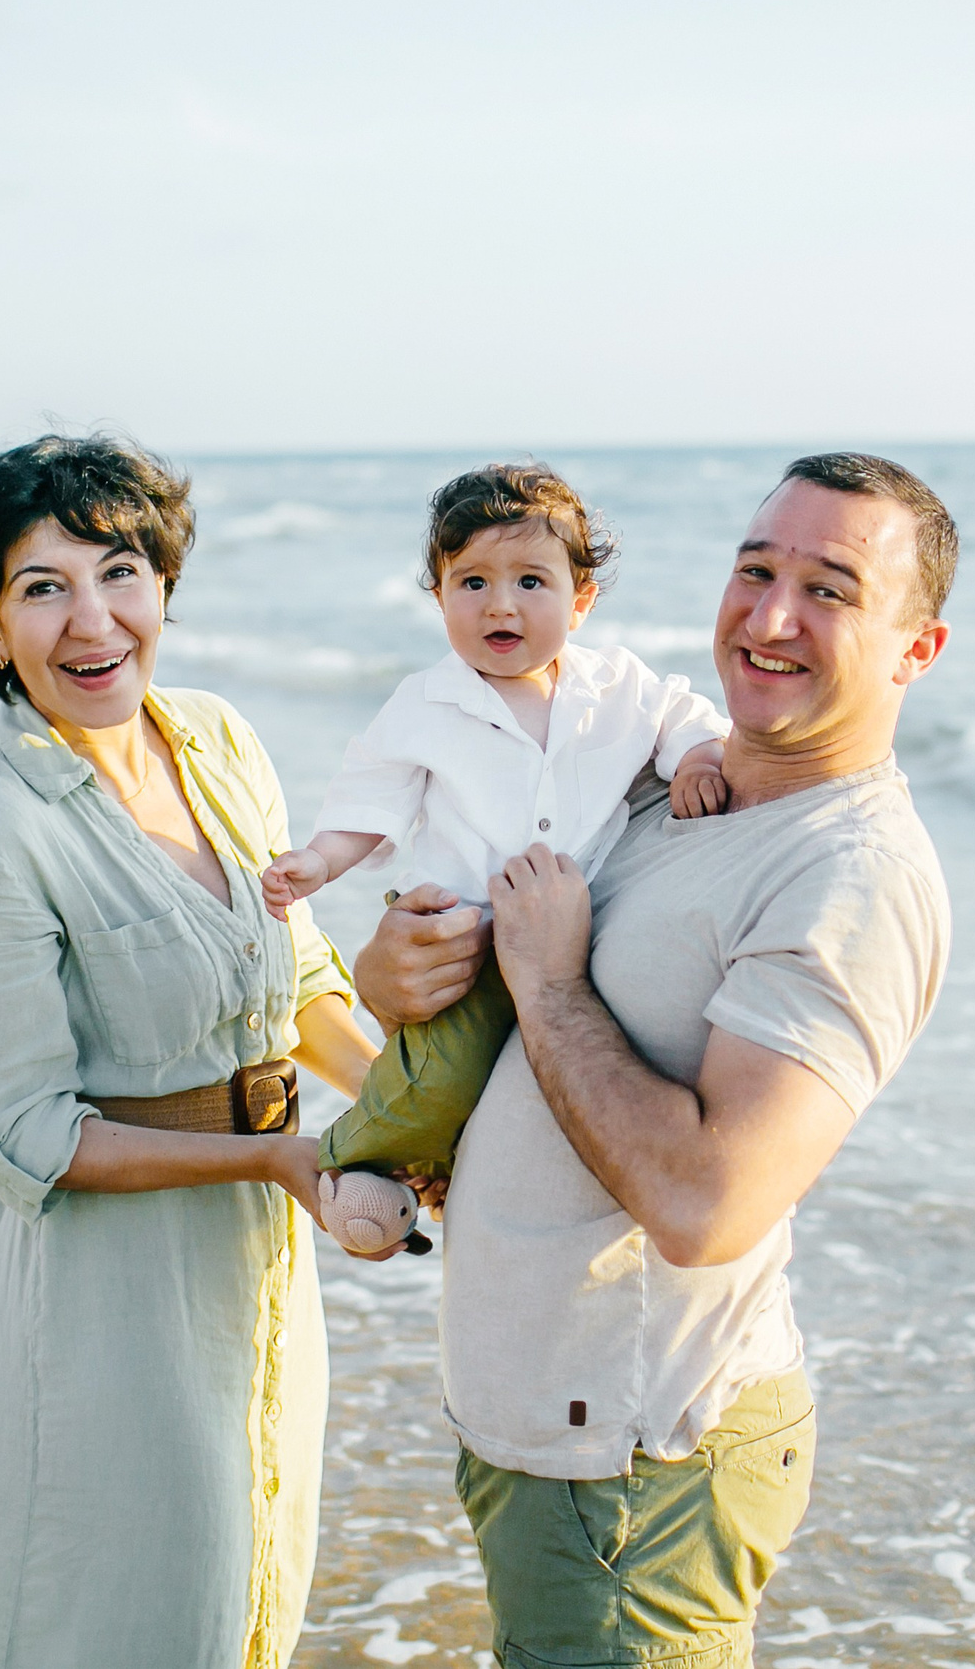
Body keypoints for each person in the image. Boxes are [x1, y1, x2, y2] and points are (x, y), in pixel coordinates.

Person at [355, 453, 958, 1669]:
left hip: (637, 1466)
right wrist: (392, 969)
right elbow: (475, 986)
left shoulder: (852, 874)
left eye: (830, 589)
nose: (770, 616)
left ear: (915, 649)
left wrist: (549, 979)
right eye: (755, 569)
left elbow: (704, 1202)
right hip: (542, 1435)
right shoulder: (663, 786)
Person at [0, 435, 375, 1669]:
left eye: (120, 571)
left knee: (250, 1588)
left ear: (163, 585)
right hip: (111, 1297)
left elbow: (302, 972)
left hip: (262, 1253)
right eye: (41, 587)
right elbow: (28, 1136)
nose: (92, 618)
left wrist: (410, 1110)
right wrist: (278, 1160)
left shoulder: (217, 738)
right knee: (116, 1610)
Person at [259, 463, 729, 1234]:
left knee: (561, 1085)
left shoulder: (617, 685)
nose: (499, 604)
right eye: (471, 582)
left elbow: (682, 713)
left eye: (531, 582)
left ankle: (443, 1166)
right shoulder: (426, 702)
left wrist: (701, 755)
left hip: (582, 935)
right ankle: (360, 1161)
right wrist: (319, 861)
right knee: (437, 1076)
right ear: (439, 596)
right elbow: (372, 794)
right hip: (463, 941)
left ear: (581, 602)